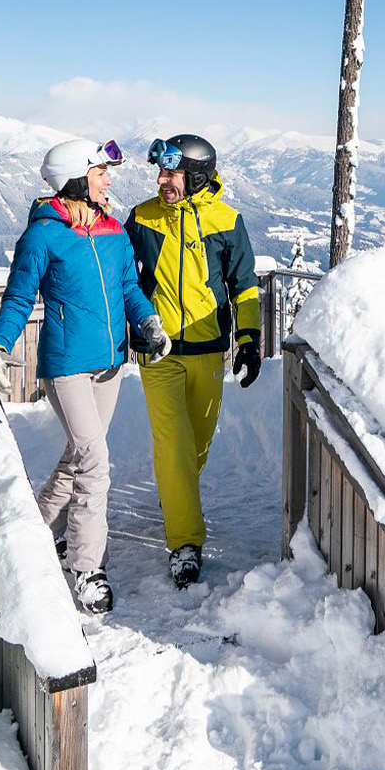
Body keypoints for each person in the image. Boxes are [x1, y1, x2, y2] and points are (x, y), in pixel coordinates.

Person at [0, 138, 170, 614]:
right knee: (95, 463)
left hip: (109, 363)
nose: (108, 181)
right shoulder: (44, 236)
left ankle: (36, 535)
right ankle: (88, 569)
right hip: (66, 365)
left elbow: (129, 287)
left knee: (78, 458)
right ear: (75, 180)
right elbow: (19, 298)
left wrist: (147, 321)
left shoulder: (113, 230)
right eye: (100, 173)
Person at [125, 134, 261, 589]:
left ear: (198, 176)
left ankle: (174, 493)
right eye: (161, 173)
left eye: (173, 173)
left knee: (196, 447)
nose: (163, 181)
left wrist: (250, 338)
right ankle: (185, 545)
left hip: (207, 352)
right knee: (176, 446)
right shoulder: (142, 218)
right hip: (157, 352)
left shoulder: (226, 220)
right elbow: (122, 277)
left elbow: (243, 284)